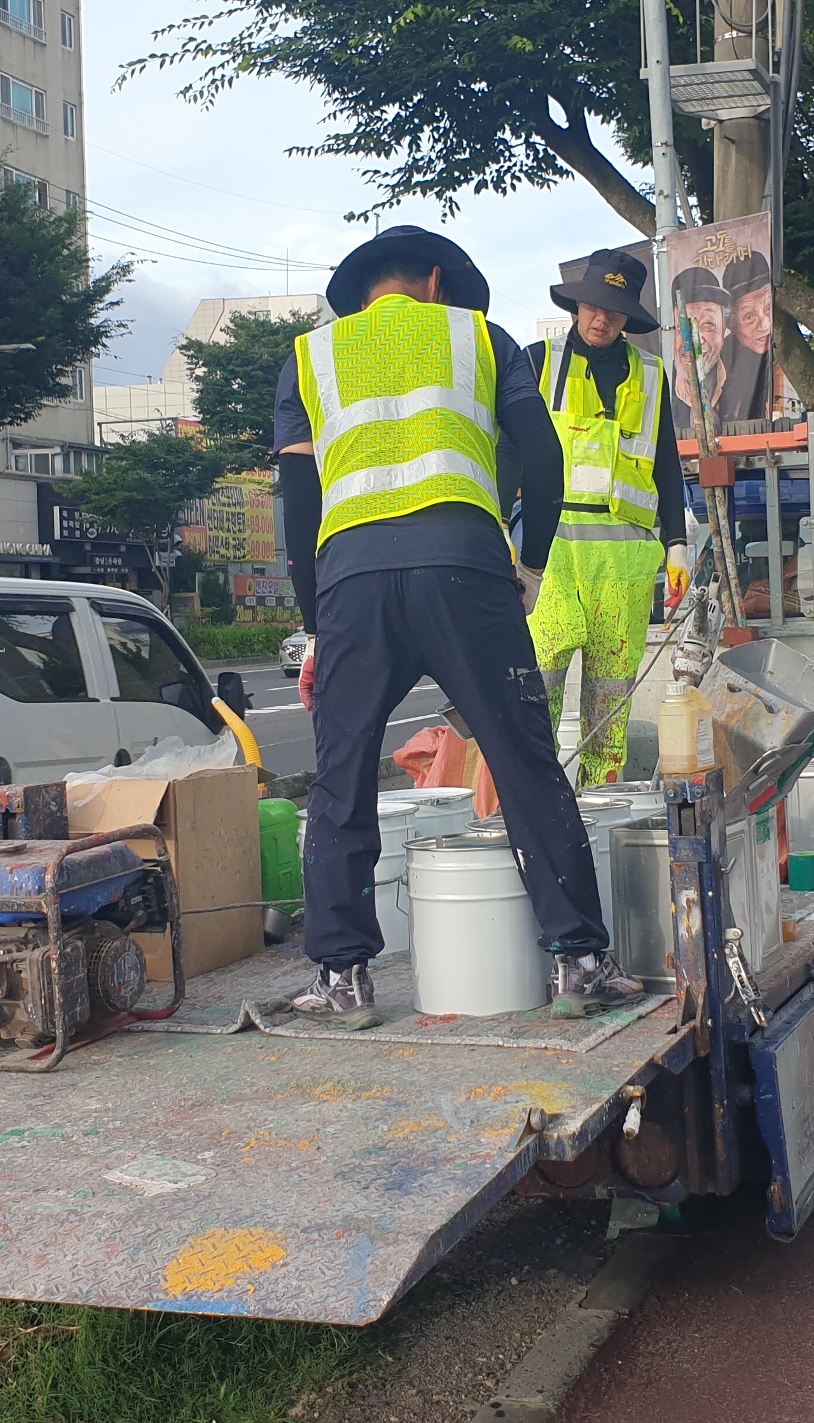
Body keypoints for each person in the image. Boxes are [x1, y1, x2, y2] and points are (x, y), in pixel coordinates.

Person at [273, 226, 631, 1027]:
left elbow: (298, 502)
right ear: (436, 282)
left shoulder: (310, 358)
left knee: (341, 772)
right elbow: (543, 459)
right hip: (467, 567)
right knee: (523, 755)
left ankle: (343, 979)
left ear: (370, 290)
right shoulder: (481, 337)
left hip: (353, 581)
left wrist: (317, 628)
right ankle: (578, 960)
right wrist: (531, 567)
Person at [515, 248, 692, 787]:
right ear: (576, 305)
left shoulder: (651, 374)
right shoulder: (538, 361)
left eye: (613, 311)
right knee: (536, 679)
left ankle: (602, 810)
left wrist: (678, 543)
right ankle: (533, 797)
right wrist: (501, 530)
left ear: (627, 318)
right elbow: (505, 447)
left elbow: (666, 465)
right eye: (593, 306)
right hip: (551, 552)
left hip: (626, 563)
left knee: (609, 699)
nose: (600, 318)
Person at [667, 266, 730, 433]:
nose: (696, 340)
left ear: (723, 329)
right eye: (684, 327)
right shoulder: (661, 393)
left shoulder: (740, 385)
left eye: (708, 325)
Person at [717, 252, 774, 423]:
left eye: (768, 309)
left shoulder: (783, 351)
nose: (765, 325)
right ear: (731, 323)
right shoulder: (720, 363)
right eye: (749, 316)